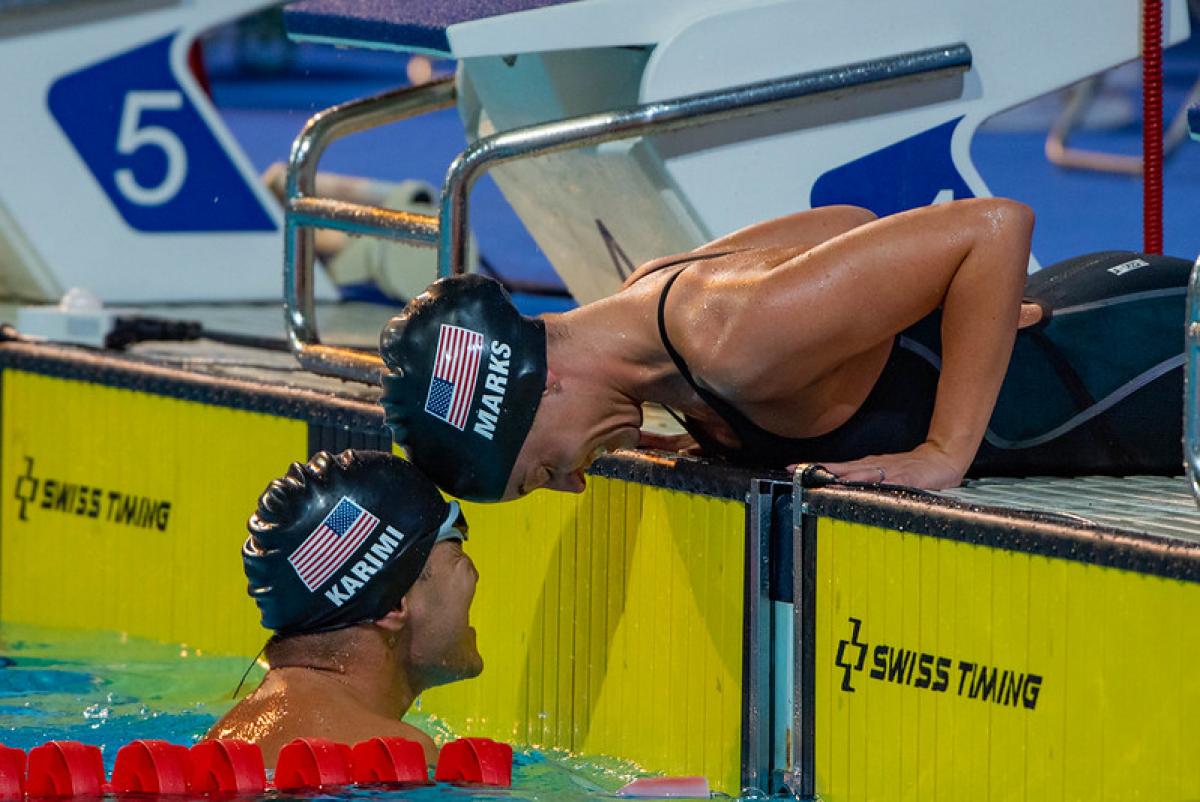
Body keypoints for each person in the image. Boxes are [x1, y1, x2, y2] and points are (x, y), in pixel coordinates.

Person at [377, 198, 1189, 502]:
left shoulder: (730, 340)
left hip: (1150, 357)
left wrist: (944, 450)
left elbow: (993, 226)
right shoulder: (661, 310)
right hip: (1103, 327)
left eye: (540, 473)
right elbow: (847, 227)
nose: (572, 484)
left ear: (540, 393)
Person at [204, 450, 482, 766]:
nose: (474, 576)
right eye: (457, 551)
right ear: (393, 605)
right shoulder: (394, 756)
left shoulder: (225, 742)